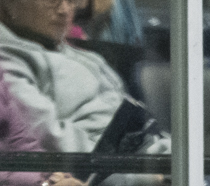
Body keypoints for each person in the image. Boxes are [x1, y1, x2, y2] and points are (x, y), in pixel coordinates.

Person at [0, 0, 133, 152]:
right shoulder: (5, 63)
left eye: (71, 1)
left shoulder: (91, 58)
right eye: (52, 1)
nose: (64, 10)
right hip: (106, 165)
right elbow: (44, 140)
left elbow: (136, 119)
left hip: (137, 153)